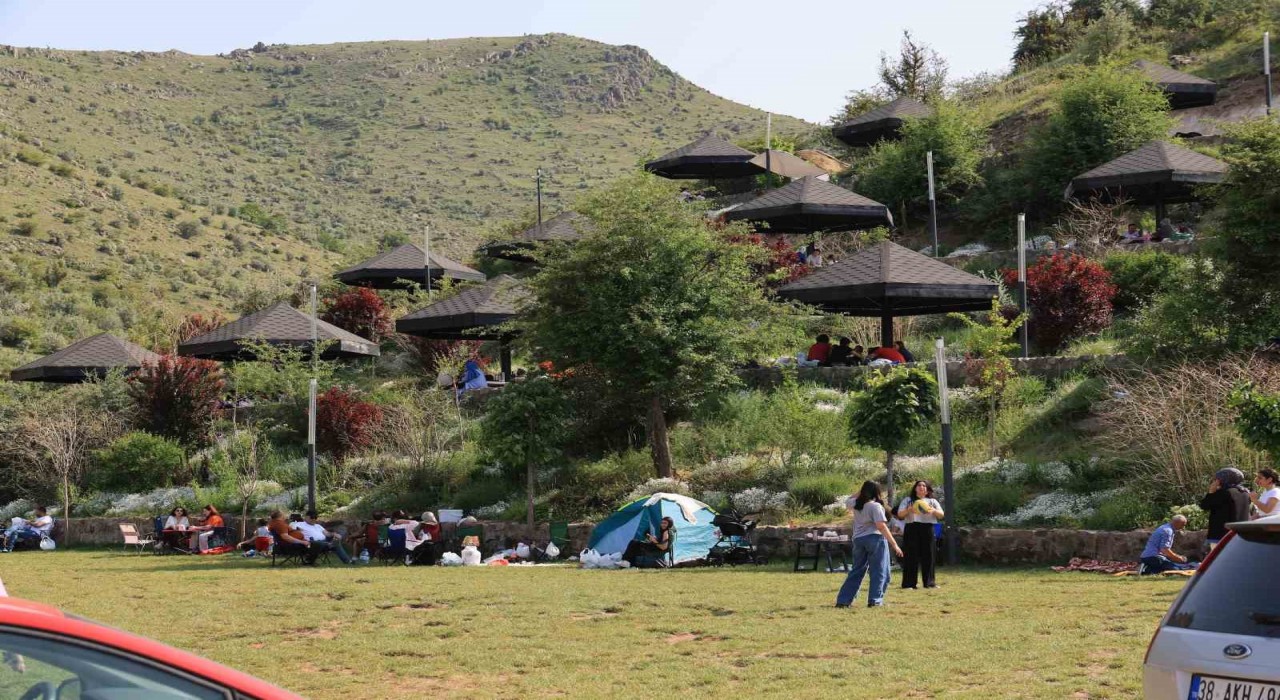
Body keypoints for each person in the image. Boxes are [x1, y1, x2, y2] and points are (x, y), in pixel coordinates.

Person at [836, 481, 904, 608]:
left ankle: (843, 600)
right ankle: (875, 600)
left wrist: (861, 490)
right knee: (879, 570)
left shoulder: (855, 504)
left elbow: (849, 499)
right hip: (875, 538)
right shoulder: (875, 506)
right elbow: (881, 526)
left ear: (862, 491)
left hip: (858, 539)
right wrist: (894, 544)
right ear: (876, 492)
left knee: (856, 570)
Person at [896, 480, 944, 589]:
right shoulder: (908, 500)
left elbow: (941, 515)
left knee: (929, 555)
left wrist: (933, 511)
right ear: (915, 488)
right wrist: (909, 510)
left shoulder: (932, 501)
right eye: (919, 485)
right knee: (910, 556)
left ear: (927, 490)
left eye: (924, 486)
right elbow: (900, 515)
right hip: (912, 527)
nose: (921, 487)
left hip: (928, 527)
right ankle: (909, 584)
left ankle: (929, 583)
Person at [1199, 468, 1251, 551]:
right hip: (1240, 534)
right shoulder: (1245, 493)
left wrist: (1211, 492)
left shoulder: (1224, 493)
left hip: (1221, 535)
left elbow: (1204, 505)